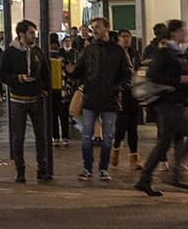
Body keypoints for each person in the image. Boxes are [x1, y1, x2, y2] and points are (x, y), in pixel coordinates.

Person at [135, 18, 188, 197]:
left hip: (176, 102)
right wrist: (177, 80)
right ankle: (175, 174)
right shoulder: (165, 52)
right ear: (174, 33)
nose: (185, 33)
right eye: (183, 31)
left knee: (163, 144)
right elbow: (153, 74)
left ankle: (144, 180)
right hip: (167, 103)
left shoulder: (179, 52)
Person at [70, 17, 129, 181]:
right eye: (93, 27)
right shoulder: (89, 50)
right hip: (91, 98)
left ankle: (103, 168)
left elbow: (127, 74)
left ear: (107, 29)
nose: (94, 30)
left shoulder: (117, 51)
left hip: (109, 99)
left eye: (97, 27)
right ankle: (87, 167)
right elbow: (78, 71)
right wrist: (70, 70)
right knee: (87, 135)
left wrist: (117, 88)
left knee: (107, 137)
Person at [0, 19, 50, 183]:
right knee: (18, 136)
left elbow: (46, 72)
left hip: (36, 98)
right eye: (31, 33)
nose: (33, 36)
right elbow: (2, 75)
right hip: (18, 100)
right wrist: (18, 79)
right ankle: (20, 170)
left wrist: (44, 89)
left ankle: (42, 169)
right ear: (22, 34)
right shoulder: (10, 52)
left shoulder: (37, 51)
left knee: (41, 135)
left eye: (34, 33)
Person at [111, 29, 143, 170]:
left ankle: (134, 158)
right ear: (118, 38)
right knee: (121, 126)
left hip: (134, 93)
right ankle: (116, 150)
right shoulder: (115, 53)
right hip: (121, 94)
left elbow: (140, 69)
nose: (126, 39)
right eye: (123, 37)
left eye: (128, 37)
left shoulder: (134, 53)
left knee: (133, 127)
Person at [46, 34, 70, 146]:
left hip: (50, 91)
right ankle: (65, 137)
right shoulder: (63, 58)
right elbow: (69, 73)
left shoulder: (45, 58)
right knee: (64, 115)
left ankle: (55, 137)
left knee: (53, 115)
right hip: (63, 90)